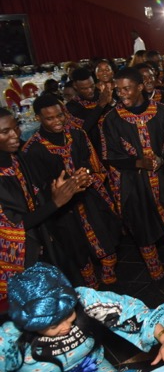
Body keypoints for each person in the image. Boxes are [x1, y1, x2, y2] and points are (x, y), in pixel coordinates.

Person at [0, 262, 164, 372]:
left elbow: (129, 311)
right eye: (54, 326)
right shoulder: (8, 337)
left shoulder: (84, 300)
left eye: (68, 316)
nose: (65, 327)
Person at [100, 67, 164, 280]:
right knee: (142, 226)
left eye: (127, 89)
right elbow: (111, 155)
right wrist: (138, 163)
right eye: (118, 90)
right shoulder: (111, 119)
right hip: (134, 183)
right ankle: (155, 271)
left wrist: (162, 159)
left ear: (140, 87)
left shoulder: (163, 111)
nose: (121, 94)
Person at [23, 95, 121, 287]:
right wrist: (58, 191)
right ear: (38, 118)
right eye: (50, 118)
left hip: (89, 197)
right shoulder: (32, 150)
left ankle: (109, 273)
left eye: (60, 115)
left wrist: (87, 175)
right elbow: (36, 188)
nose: (57, 121)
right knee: (77, 249)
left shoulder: (77, 134)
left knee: (106, 237)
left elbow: (93, 164)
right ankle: (90, 286)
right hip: (63, 210)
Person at [0, 109, 88, 311]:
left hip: (42, 236)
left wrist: (54, 194)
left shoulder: (17, 158)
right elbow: (13, 226)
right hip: (18, 255)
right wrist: (55, 203)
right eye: (5, 132)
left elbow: (33, 198)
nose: (15, 135)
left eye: (15, 127)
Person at [67, 67, 114, 151]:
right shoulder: (72, 106)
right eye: (84, 88)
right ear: (75, 86)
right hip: (92, 150)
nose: (90, 91)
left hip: (112, 147)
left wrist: (111, 102)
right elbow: (83, 129)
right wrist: (100, 105)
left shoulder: (102, 96)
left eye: (92, 86)